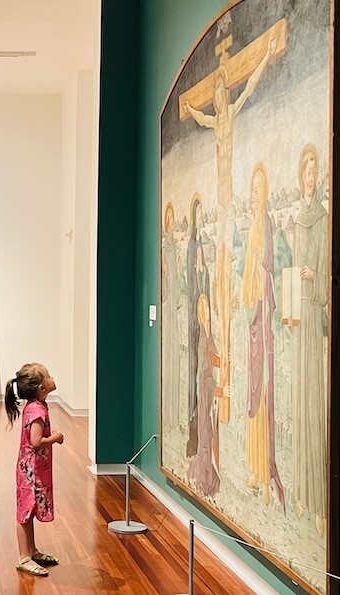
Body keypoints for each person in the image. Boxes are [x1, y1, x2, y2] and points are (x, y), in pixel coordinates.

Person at [184, 35, 278, 409]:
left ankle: (228, 359)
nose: (222, 97)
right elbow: (199, 115)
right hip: (220, 209)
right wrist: (191, 109)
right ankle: (221, 351)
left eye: (224, 92)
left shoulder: (231, 114)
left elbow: (250, 86)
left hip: (228, 205)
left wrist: (266, 56)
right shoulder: (213, 118)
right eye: (219, 93)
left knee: (228, 275)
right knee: (220, 279)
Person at [240, 164, 284, 508]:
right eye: (252, 190)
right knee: (252, 393)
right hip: (252, 322)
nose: (255, 196)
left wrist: (261, 272)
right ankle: (254, 468)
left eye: (259, 190)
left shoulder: (267, 225)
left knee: (264, 393)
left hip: (264, 322)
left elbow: (271, 268)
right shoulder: (253, 226)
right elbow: (245, 277)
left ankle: (264, 469)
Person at [290, 144, 328, 535]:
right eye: (307, 168)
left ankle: (318, 500)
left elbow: (325, 276)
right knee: (300, 404)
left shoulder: (322, 218)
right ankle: (300, 491)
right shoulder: (297, 220)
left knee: (314, 404)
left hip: (313, 316)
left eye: (315, 169)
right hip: (296, 317)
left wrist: (314, 277)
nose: (311, 175)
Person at [5, 363, 64, 577]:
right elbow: (36, 441)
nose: (52, 377)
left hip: (33, 469)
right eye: (49, 376)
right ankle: (24, 557)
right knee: (25, 513)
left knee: (28, 512)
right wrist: (55, 439)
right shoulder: (37, 409)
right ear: (42, 387)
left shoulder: (35, 406)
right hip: (30, 472)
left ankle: (31, 551)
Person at [187, 294, 221, 497]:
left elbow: (213, 359)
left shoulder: (208, 336)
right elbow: (204, 373)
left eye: (208, 308)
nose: (207, 312)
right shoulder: (202, 339)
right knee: (206, 433)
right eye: (204, 309)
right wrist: (218, 391)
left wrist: (222, 360)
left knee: (209, 432)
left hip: (208, 391)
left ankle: (207, 475)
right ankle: (205, 478)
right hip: (206, 392)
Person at [185, 194, 211, 456]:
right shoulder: (193, 245)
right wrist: (197, 270)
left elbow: (206, 283)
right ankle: (194, 422)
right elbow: (190, 282)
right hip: (195, 326)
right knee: (196, 373)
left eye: (204, 214)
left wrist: (205, 271)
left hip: (203, 323)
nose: (201, 219)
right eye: (199, 215)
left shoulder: (205, 244)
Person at [161, 202, 181, 431]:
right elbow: (164, 286)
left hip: (174, 312)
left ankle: (174, 418)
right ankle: (169, 416)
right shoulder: (164, 249)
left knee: (175, 359)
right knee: (169, 360)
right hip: (167, 312)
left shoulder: (175, 247)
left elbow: (179, 284)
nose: (172, 223)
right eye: (169, 218)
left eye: (173, 218)